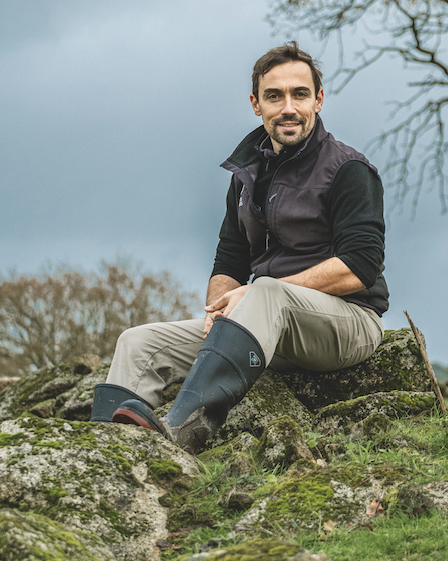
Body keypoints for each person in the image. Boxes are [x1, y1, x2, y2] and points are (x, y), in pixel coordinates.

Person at [90, 42, 389, 452]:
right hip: (265, 323)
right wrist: (218, 317)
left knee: (267, 290)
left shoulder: (349, 170)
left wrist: (260, 293)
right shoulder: (246, 175)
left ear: (318, 100)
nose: (288, 107)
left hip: (348, 324)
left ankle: (181, 434)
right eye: (274, 96)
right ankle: (109, 453)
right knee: (137, 342)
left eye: (299, 94)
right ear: (255, 104)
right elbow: (230, 257)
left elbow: (360, 265)